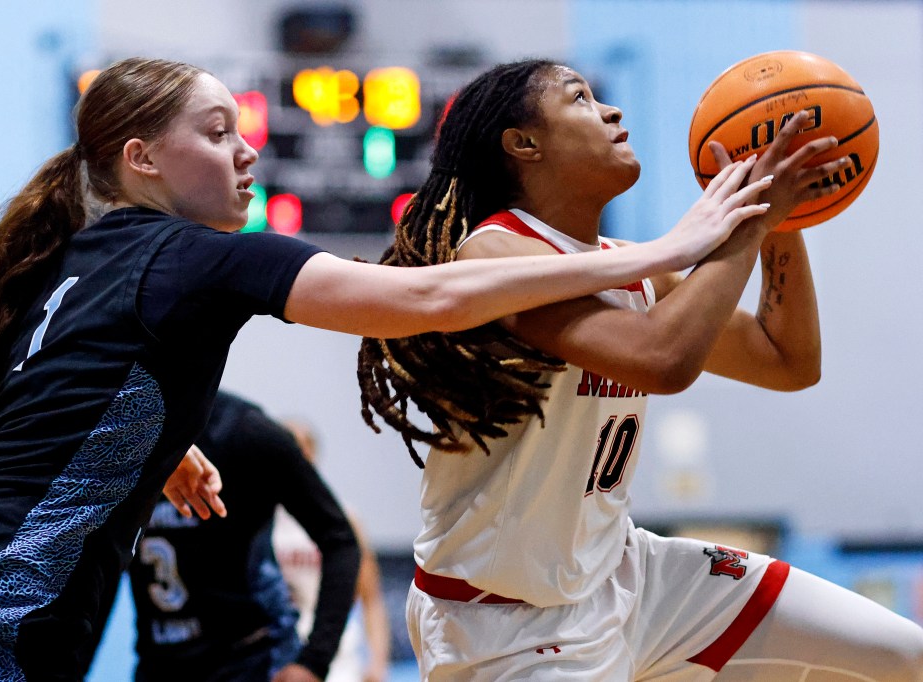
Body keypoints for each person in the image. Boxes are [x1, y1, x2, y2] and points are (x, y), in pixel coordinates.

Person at [0, 55, 755, 681]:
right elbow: (430, 298)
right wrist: (666, 250)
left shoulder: (68, 262)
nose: (245, 153)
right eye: (216, 133)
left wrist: (156, 442)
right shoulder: (194, 256)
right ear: (142, 159)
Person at [357, 59, 923, 680]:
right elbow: (661, 360)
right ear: (524, 144)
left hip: (630, 574)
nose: (612, 110)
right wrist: (753, 219)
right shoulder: (495, 254)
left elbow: (787, 361)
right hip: (504, 622)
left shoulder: (628, 265)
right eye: (579, 97)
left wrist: (778, 215)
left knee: (900, 653)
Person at [127, 390, 360, 682]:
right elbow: (99, 564)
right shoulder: (122, 433)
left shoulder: (248, 432)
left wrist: (314, 662)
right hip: (158, 664)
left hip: (250, 659)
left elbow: (340, 538)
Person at [273, 419, 391, 682]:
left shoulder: (343, 518)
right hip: (278, 650)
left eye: (300, 447)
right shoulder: (262, 516)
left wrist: (378, 662)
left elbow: (371, 597)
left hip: (334, 652)